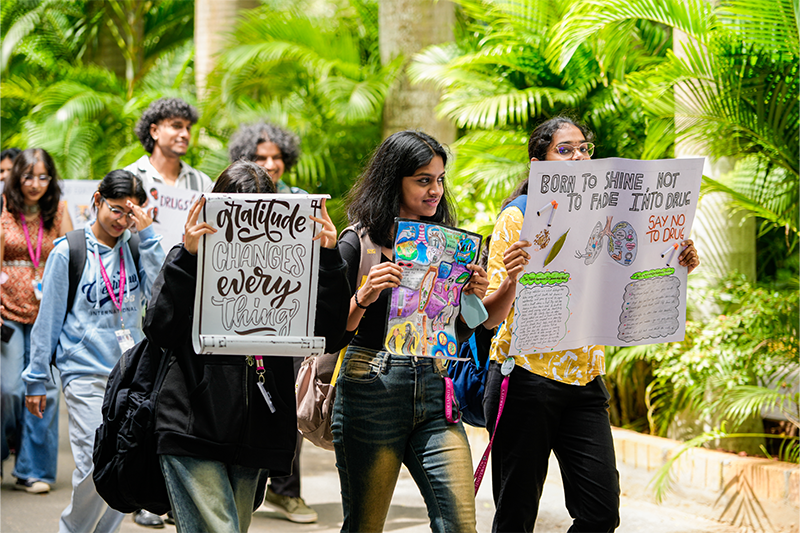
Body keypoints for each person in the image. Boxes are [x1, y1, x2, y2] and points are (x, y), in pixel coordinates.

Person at [481, 116, 701, 532]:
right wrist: (512, 277)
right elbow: (490, 317)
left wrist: (678, 261)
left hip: (584, 380)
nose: (579, 156)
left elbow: (636, 271)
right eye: (565, 150)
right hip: (526, 378)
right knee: (515, 515)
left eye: (584, 148)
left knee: (601, 513)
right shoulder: (518, 218)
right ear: (538, 163)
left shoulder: (613, 215)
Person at [143, 160, 350, 533]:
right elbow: (158, 327)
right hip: (190, 423)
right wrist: (186, 258)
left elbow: (331, 335)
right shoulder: (191, 252)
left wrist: (330, 257)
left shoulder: (294, 262)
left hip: (257, 429)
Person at [333, 130, 489, 533]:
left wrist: (473, 295)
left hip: (438, 386)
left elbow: (465, 327)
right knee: (364, 526)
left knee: (460, 524)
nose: (435, 190)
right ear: (393, 181)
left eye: (439, 179)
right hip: (372, 387)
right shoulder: (357, 243)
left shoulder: (451, 245)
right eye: (423, 179)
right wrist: (364, 295)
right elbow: (332, 332)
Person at [23, 170, 165, 533]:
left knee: (124, 463)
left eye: (129, 213)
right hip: (83, 373)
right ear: (98, 200)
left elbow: (163, 294)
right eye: (116, 210)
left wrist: (146, 235)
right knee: (92, 463)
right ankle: (72, 529)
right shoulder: (68, 251)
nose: (122, 221)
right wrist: (36, 379)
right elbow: (48, 321)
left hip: (129, 374)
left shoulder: (137, 245)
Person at [126, 96, 210, 527]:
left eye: (187, 127)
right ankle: (147, 494)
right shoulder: (131, 178)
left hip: (193, 297)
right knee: (149, 395)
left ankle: (179, 497)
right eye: (174, 125)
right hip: (147, 299)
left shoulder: (202, 181)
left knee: (182, 395)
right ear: (154, 130)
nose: (183, 133)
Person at [228, 121, 315, 523]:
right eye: (260, 157)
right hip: (238, 319)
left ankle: (286, 490)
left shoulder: (303, 202)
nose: (270, 163)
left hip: (288, 320)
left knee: (286, 406)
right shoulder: (230, 200)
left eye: (276, 157)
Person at [0, 148, 73, 492]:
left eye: (43, 176)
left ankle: (34, 471)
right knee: (9, 390)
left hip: (48, 314)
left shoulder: (57, 209)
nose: (35, 184)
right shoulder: (4, 209)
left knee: (47, 391)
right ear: (17, 177)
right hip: (7, 312)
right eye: (28, 176)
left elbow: (74, 254)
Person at [125, 97, 212, 192]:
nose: (185, 134)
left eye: (188, 128)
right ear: (155, 131)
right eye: (176, 126)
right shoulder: (129, 177)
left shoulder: (202, 183)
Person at [228, 121, 304, 194]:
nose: (270, 166)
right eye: (261, 158)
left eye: (277, 157)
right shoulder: (221, 194)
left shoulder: (300, 198)